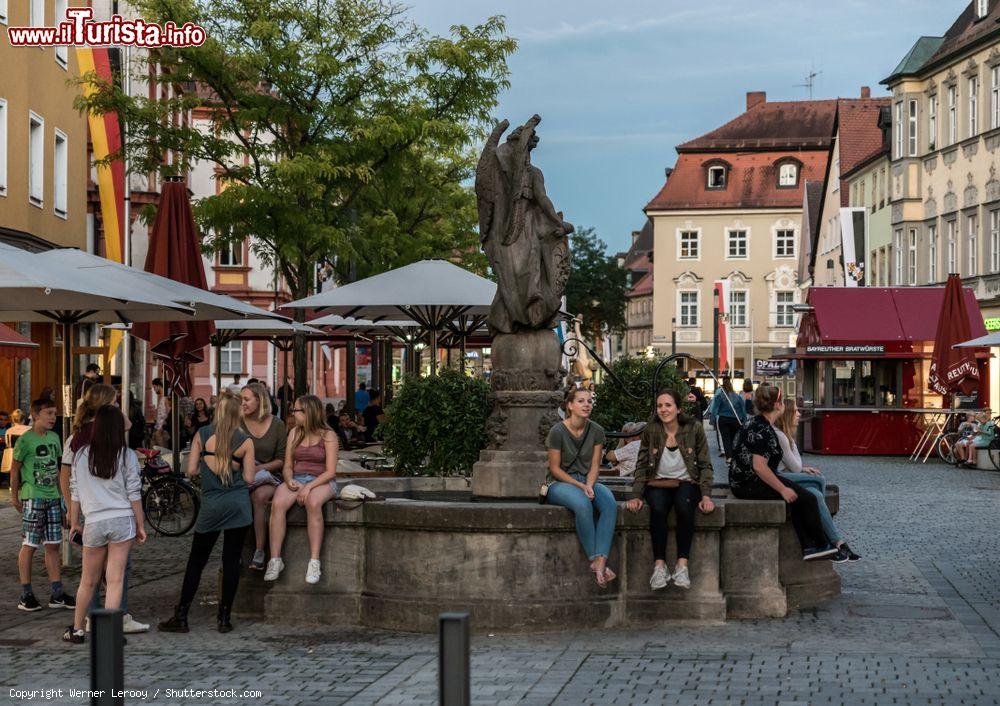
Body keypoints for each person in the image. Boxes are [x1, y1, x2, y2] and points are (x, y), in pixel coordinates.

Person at [158, 392, 256, 633]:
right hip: (238, 504)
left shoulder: (202, 435)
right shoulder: (245, 441)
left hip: (212, 504)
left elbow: (191, 469)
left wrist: (206, 471)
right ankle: (224, 618)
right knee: (231, 561)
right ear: (236, 413)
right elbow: (249, 478)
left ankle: (181, 615)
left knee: (196, 562)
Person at [59, 383, 148, 634]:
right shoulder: (126, 455)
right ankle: (110, 633)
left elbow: (75, 492)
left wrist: (75, 522)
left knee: (88, 580)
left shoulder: (81, 454)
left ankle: (77, 628)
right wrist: (140, 525)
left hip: (94, 522)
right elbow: (134, 495)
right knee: (116, 579)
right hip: (122, 521)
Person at [729, 386, 837, 561]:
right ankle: (821, 544)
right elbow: (759, 467)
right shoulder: (763, 430)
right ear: (778, 405)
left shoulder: (755, 422)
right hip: (749, 484)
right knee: (808, 498)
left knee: (799, 498)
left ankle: (809, 546)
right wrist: (782, 489)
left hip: (745, 480)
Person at [624, 389, 716, 590]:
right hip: (658, 482)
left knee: (684, 506)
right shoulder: (651, 430)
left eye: (668, 405)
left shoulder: (694, 428)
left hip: (687, 483)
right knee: (657, 508)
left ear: (678, 409)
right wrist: (636, 495)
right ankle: (659, 566)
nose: (663, 410)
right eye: (659, 406)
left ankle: (682, 566)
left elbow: (705, 465)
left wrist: (706, 495)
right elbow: (641, 465)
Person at [545, 387, 619, 588]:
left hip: (588, 480)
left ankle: (601, 560)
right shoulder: (557, 431)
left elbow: (595, 465)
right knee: (583, 504)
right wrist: (580, 486)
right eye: (581, 401)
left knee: (610, 504)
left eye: (589, 401)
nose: (587, 404)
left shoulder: (596, 431)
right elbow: (554, 468)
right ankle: (594, 559)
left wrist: (589, 484)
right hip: (559, 483)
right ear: (570, 406)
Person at [773, 400, 861, 564]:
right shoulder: (780, 436)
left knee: (815, 494)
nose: (799, 414)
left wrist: (801, 466)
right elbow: (796, 466)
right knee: (818, 480)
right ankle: (828, 537)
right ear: (787, 415)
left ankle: (837, 542)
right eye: (796, 411)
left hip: (784, 475)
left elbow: (797, 466)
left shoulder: (785, 435)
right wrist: (800, 463)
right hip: (777, 478)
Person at [264, 395, 339, 585]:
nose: (293, 413)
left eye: (295, 410)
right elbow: (288, 465)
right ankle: (275, 559)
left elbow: (330, 471)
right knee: (278, 503)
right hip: (297, 479)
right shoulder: (294, 433)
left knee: (313, 503)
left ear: (307, 412)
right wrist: (289, 480)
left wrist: (309, 487)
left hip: (321, 481)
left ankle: (314, 561)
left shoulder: (328, 435)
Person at [11, 397, 76, 612]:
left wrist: (63, 497)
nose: (52, 417)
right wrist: (15, 496)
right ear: (36, 415)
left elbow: (57, 470)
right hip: (33, 496)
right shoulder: (25, 440)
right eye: (48, 413)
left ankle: (57, 593)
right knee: (29, 544)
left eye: (54, 413)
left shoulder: (55, 438)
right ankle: (25, 593)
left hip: (53, 498)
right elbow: (15, 468)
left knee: (53, 545)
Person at [240, 383, 287, 571]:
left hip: (270, 476)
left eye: (246, 399)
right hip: (242, 475)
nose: (242, 403)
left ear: (259, 400)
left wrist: (261, 468)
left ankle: (259, 551)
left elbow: (282, 460)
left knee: (259, 497)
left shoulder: (277, 424)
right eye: (241, 399)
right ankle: (237, 551)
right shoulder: (238, 421)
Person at [708, 377, 746, 462]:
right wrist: (744, 420)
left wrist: (712, 420)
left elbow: (715, 409)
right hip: (735, 420)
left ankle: (729, 457)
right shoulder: (737, 396)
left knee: (725, 439)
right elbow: (743, 409)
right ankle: (733, 455)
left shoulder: (719, 396)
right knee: (733, 438)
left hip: (723, 419)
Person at [151, 378, 169, 448]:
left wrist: (162, 427)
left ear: (159, 386)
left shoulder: (165, 398)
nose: (154, 389)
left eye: (154, 387)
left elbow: (168, 413)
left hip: (161, 429)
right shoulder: (162, 398)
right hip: (158, 428)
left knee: (162, 450)